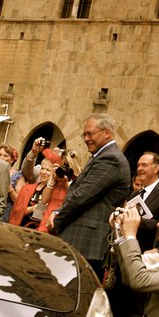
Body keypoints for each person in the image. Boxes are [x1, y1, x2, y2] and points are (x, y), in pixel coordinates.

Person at [46, 114, 132, 278]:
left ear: (107, 133)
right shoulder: (102, 156)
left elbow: (82, 196)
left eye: (90, 134)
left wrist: (56, 217)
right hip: (83, 241)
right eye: (84, 134)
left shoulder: (110, 158)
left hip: (86, 242)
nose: (86, 139)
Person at [110, 152, 159, 317]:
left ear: (156, 168)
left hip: (146, 254)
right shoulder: (134, 195)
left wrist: (135, 220)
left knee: (136, 305)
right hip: (125, 254)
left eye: (144, 165)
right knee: (119, 301)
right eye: (138, 165)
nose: (139, 169)